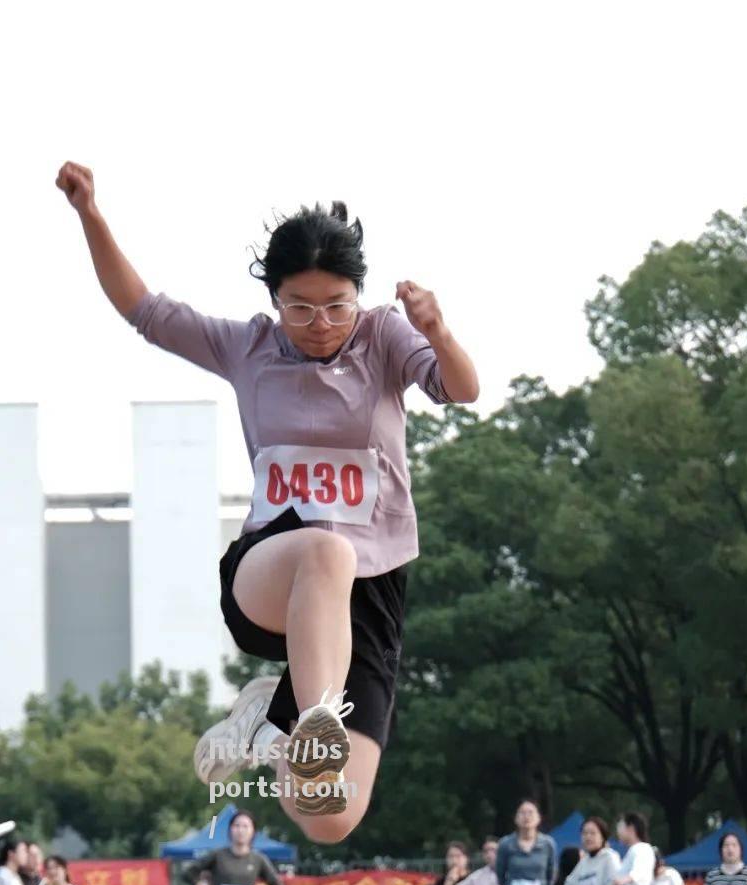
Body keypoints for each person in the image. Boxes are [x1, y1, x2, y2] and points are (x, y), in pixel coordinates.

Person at [57, 163, 478, 843]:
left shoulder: (385, 338)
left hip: (371, 592)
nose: (320, 324)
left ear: (358, 297)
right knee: (327, 547)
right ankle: (312, 720)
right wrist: (91, 215)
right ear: (275, 298)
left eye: (337, 305)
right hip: (272, 572)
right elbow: (142, 308)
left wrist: (437, 330)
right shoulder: (247, 347)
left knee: (329, 820)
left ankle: (275, 722)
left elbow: (462, 389)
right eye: (301, 307)